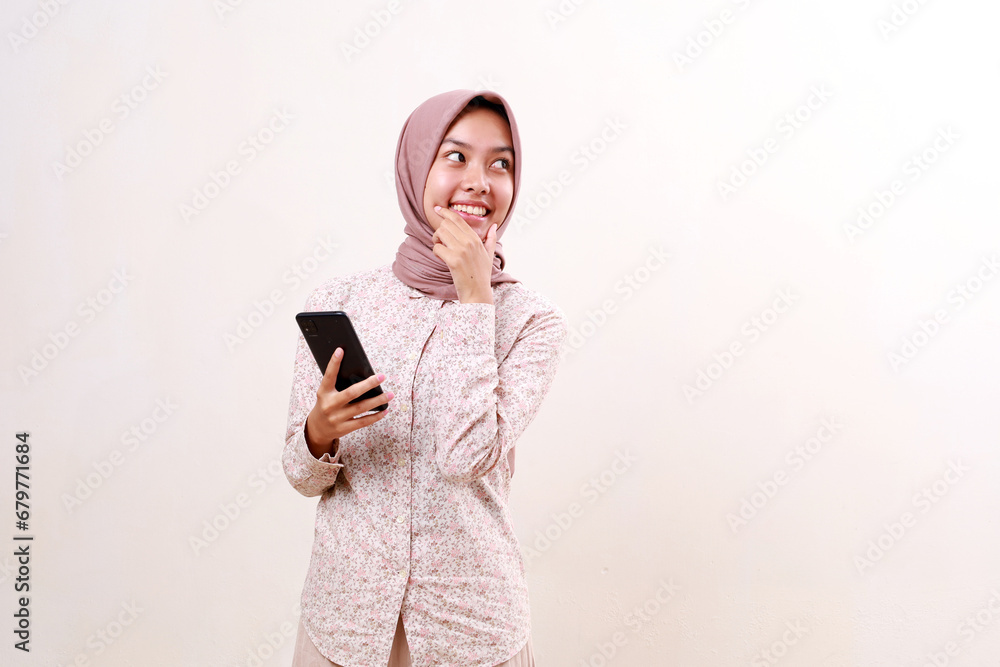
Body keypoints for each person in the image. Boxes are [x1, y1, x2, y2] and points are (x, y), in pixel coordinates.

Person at [282, 89, 567, 666]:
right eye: (455, 156)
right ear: (416, 168)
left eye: (501, 164)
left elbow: (465, 457)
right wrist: (319, 433)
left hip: (470, 629)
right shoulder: (342, 300)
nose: (479, 182)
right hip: (345, 623)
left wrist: (475, 297)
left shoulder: (531, 322)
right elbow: (300, 476)